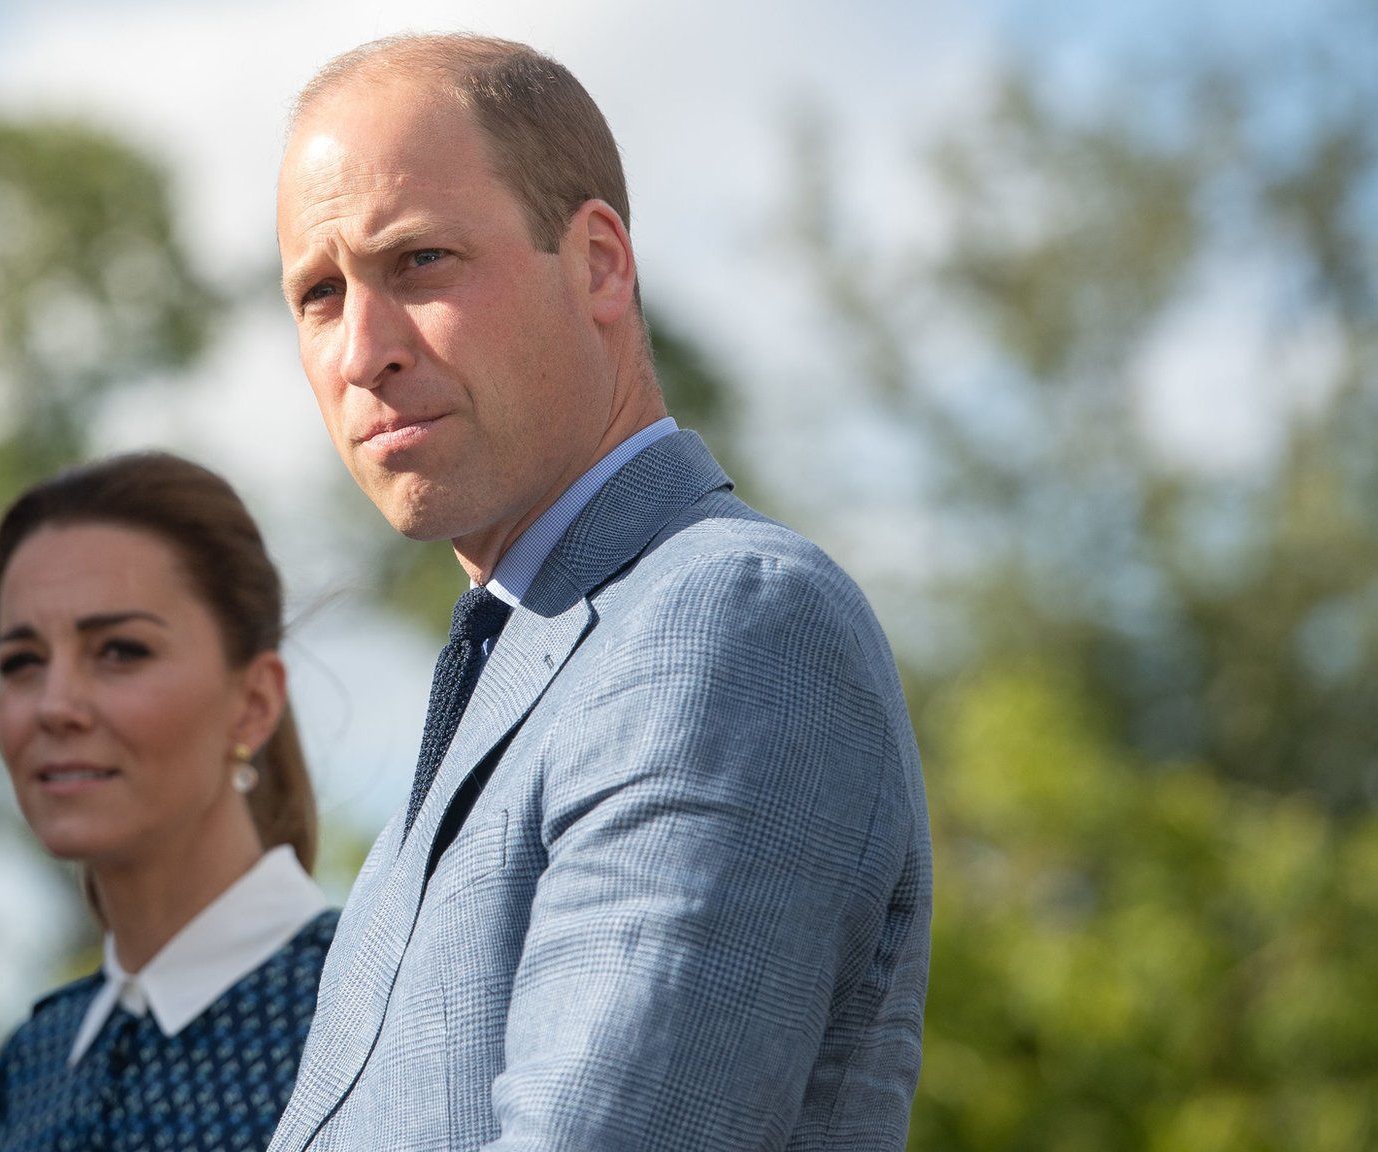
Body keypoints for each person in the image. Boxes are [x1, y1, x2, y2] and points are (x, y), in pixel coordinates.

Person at [269, 34, 931, 1152]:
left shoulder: (725, 624)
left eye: (419, 262)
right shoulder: (515, 670)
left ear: (598, 265)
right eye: (319, 295)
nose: (360, 352)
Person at [0, 452, 338, 1152]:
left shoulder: (368, 1004)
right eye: (21, 661)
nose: (54, 706)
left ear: (253, 704)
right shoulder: (32, 1065)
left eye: (120, 651)